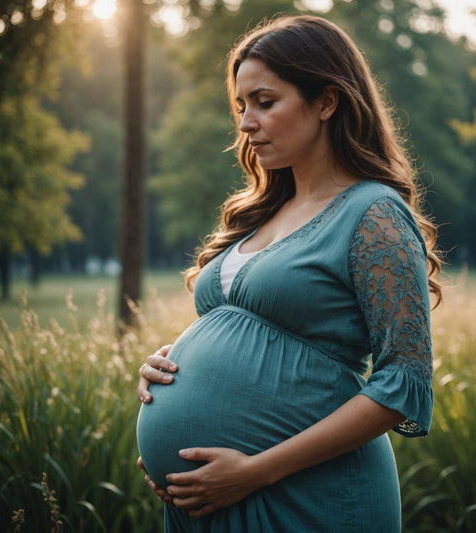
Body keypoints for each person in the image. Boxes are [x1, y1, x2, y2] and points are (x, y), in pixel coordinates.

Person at [136, 14, 442, 533]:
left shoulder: (373, 213)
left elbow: (405, 383)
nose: (245, 123)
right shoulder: (262, 213)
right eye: (240, 106)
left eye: (265, 102)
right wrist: (167, 373)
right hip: (210, 502)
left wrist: (254, 471)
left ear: (326, 102)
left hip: (310, 497)